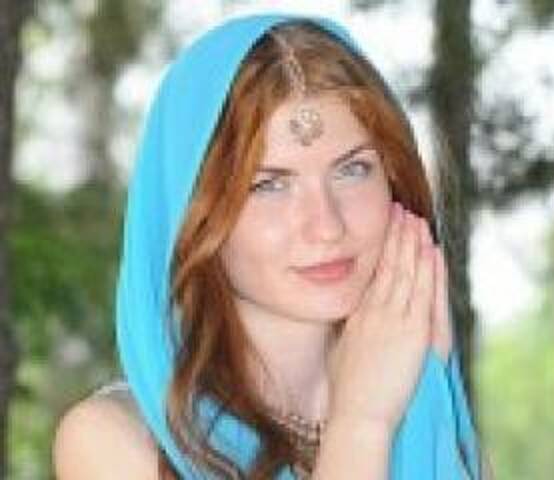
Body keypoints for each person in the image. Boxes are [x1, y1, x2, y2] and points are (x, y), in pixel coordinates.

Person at [53, 13, 486, 480]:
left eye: (352, 169)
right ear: (192, 213)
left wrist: (424, 400)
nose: (326, 226)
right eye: (269, 185)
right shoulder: (111, 441)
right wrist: (360, 425)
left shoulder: (417, 388)